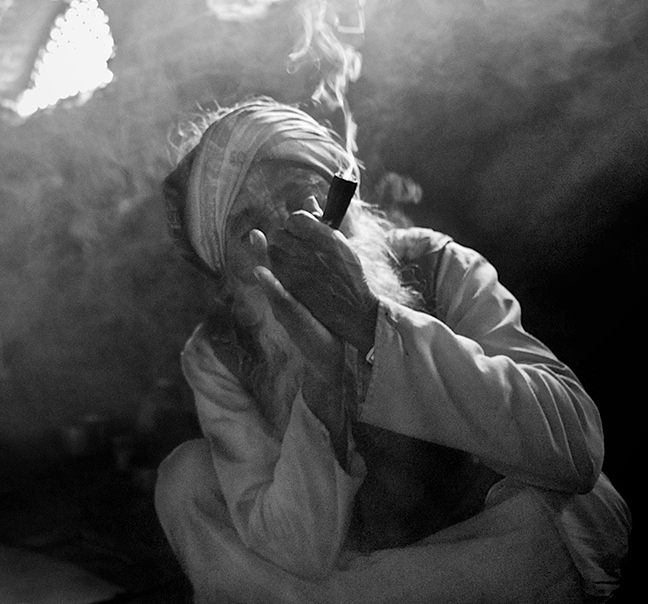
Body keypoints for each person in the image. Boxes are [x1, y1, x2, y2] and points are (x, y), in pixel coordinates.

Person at [155, 97, 630, 604]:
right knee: (186, 480)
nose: (284, 231)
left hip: (481, 544)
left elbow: (576, 449)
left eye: (300, 196)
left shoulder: (436, 263)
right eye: (245, 223)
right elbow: (297, 550)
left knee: (543, 520)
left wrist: (368, 322)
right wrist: (322, 387)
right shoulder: (217, 351)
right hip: (383, 569)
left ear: (347, 203)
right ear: (225, 272)